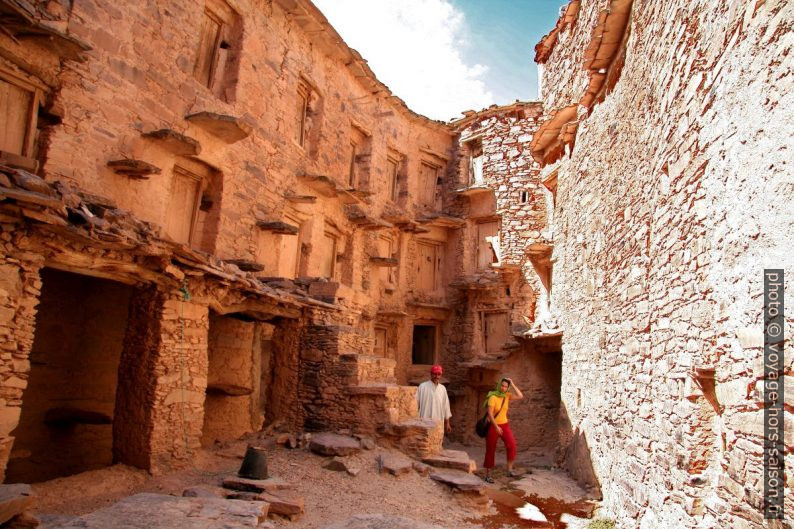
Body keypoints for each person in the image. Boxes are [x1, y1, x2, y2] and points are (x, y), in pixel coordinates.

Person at [483, 376, 523, 483]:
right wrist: (496, 426)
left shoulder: (507, 396)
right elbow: (490, 414)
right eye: (502, 386)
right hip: (493, 426)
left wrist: (512, 383)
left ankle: (509, 470)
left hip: (504, 425)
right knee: (490, 449)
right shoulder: (493, 397)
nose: (504, 388)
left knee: (512, 445)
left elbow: (520, 396)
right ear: (499, 385)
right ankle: (488, 475)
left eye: (506, 387)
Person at [416, 364, 452, 434]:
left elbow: (446, 407)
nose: (437, 376)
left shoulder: (443, 389)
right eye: (435, 374)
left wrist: (447, 423)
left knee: (437, 442)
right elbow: (415, 404)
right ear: (431, 374)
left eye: (439, 374)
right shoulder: (422, 387)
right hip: (424, 422)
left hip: (438, 423)